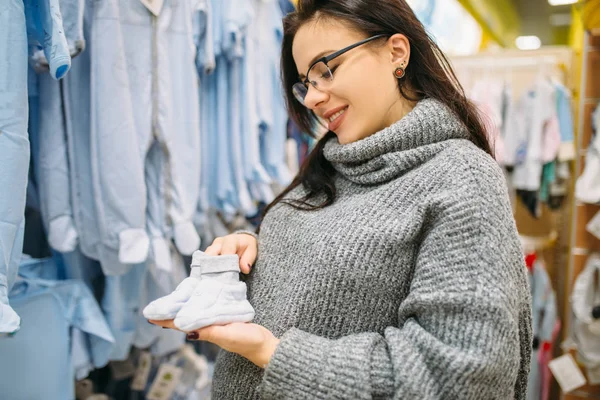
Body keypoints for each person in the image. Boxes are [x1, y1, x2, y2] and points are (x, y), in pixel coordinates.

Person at [150, 0, 533, 398]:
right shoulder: (331, 166)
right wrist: (258, 256)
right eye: (305, 82)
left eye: (325, 69)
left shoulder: (460, 177)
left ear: (396, 52)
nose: (312, 98)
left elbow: (460, 377)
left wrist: (273, 353)